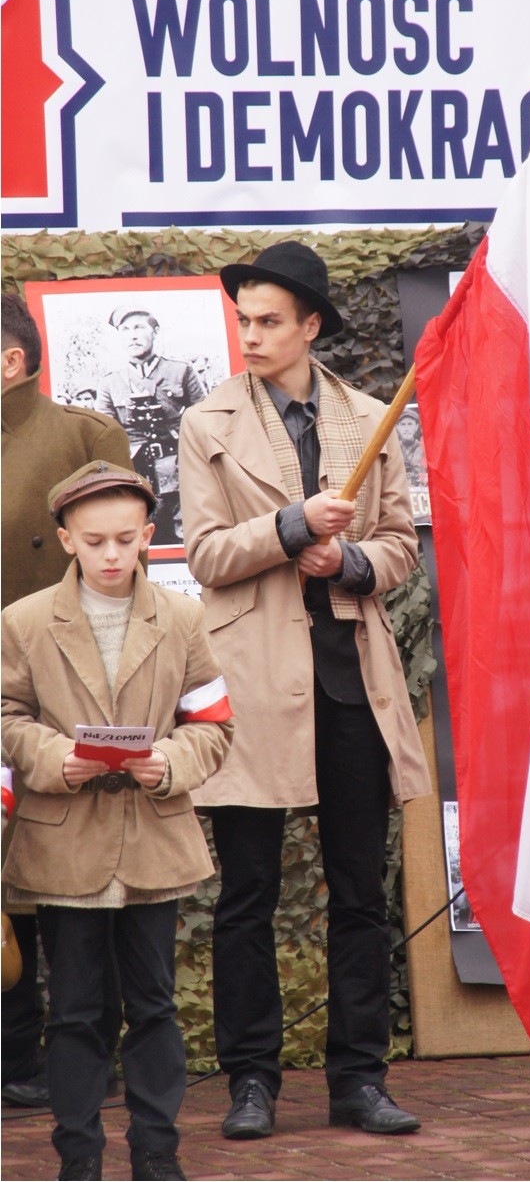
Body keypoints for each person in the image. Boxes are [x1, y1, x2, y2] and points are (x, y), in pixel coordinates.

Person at [178, 241, 431, 1140]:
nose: (249, 334)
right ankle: (252, 1082)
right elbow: (205, 555)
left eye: (268, 320)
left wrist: (348, 557)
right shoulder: (204, 422)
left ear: (310, 325)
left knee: (360, 890)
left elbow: (400, 544)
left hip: (352, 682)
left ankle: (358, 1080)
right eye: (243, 319)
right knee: (245, 890)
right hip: (250, 683)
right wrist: (289, 527)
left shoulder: (370, 416)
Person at [1, 462, 234, 1182]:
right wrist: (50, 756)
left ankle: (157, 1155)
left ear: (147, 537)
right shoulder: (24, 621)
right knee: (73, 1010)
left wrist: (168, 759)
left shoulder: (185, 617)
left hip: (152, 837)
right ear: (65, 538)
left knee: (155, 1004)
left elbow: (214, 723)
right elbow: (7, 717)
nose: (110, 554)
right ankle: (79, 1157)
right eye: (95, 539)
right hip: (62, 840)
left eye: (125, 539)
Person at [1, 292, 135, 1109]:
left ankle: (78, 1054)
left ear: (11, 358)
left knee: (70, 879)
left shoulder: (81, 436)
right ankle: (13, 1054)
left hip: (60, 689)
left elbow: (120, 565)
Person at [96, 308, 205, 544]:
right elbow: (103, 434)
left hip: (179, 472)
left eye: (139, 327)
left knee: (186, 542)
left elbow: (207, 419)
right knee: (139, 543)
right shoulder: (110, 382)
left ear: (155, 331)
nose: (132, 335)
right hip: (133, 477)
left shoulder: (181, 371)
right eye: (125, 330)